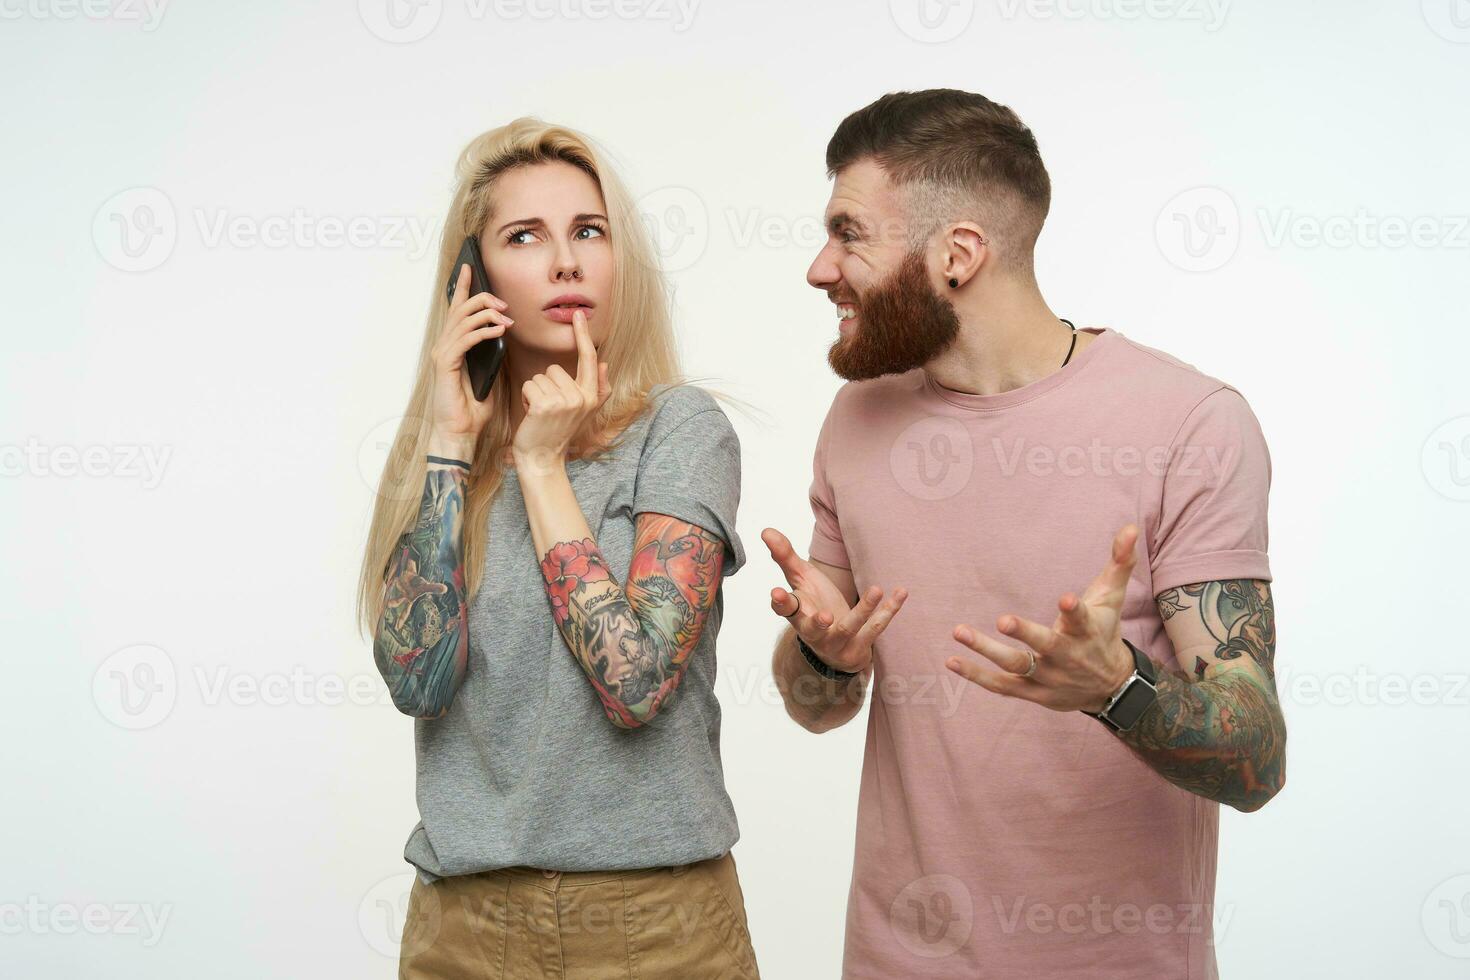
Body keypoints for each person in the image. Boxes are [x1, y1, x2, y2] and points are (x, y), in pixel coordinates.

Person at [763, 89, 1286, 979]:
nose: (820, 267)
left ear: (958, 253)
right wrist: (824, 659)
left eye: (850, 233)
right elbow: (818, 709)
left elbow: (1257, 759)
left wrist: (1117, 686)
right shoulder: (857, 418)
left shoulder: (1191, 422)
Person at [357, 118, 760, 979]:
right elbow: (415, 681)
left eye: (589, 231)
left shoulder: (681, 430)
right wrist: (448, 446)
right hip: (463, 925)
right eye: (524, 237)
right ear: (475, 278)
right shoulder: (442, 456)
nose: (566, 261)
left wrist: (541, 466)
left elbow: (636, 681)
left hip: (656, 925)